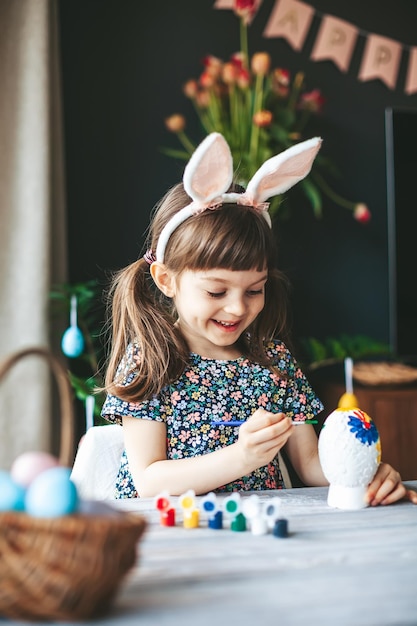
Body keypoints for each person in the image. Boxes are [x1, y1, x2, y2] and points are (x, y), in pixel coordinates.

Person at [101, 132, 416, 506]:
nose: (237, 308)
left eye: (254, 290)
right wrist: (241, 458)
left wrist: (363, 474)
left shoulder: (274, 361)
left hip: (259, 534)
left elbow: (312, 465)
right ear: (167, 280)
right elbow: (150, 479)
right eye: (216, 292)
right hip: (173, 536)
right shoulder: (150, 359)